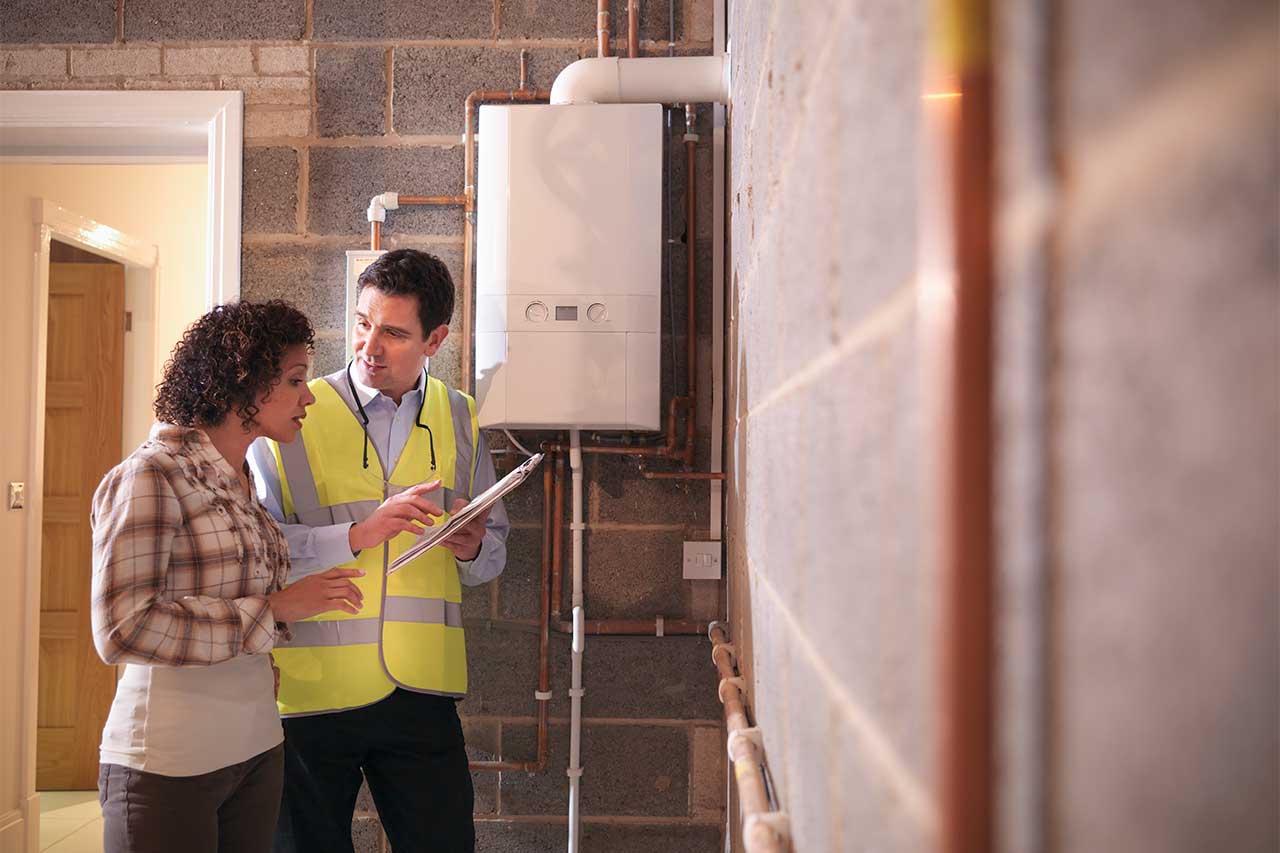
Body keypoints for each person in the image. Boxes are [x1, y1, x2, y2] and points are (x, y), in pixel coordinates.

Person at [249, 249, 509, 853]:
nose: (369, 347)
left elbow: (491, 558)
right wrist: (356, 534)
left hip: (422, 693)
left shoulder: (461, 417)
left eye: (393, 333)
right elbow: (259, 549)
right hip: (309, 694)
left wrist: (472, 547)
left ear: (435, 339)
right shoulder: (291, 411)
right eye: (363, 323)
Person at [91, 300, 367, 853]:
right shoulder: (152, 474)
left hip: (257, 751)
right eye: (294, 380)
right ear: (245, 384)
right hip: (169, 763)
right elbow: (122, 629)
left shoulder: (243, 482)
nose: (309, 397)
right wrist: (276, 610)